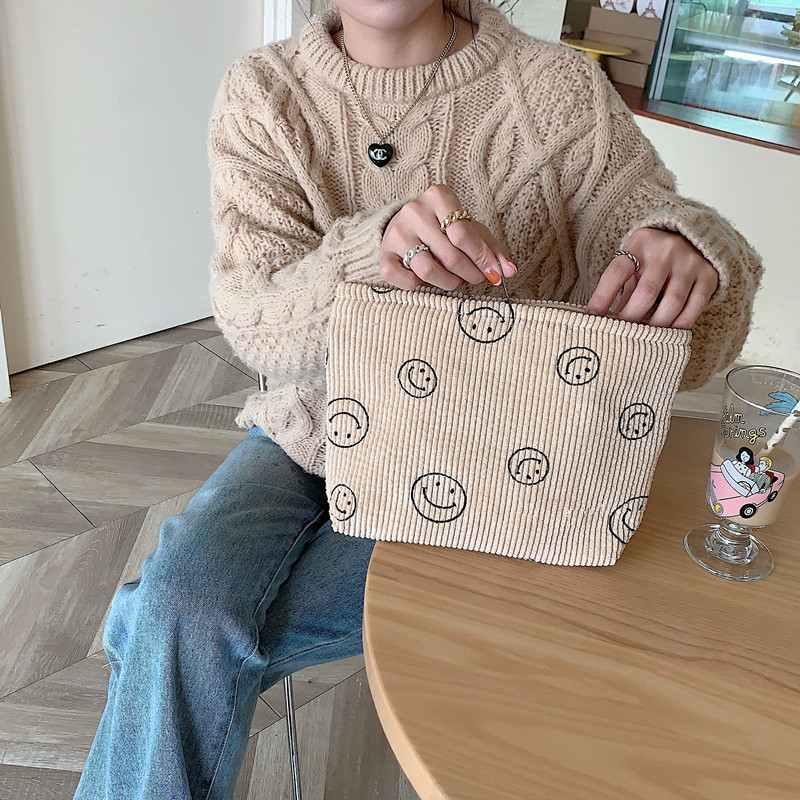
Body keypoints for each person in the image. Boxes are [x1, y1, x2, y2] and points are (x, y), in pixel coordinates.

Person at [74, 1, 762, 797]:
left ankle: (156, 628)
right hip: (311, 434)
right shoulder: (263, 92)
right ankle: (164, 627)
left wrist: (684, 247)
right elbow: (254, 321)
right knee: (183, 607)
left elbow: (683, 321)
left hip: (499, 459)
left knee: (172, 617)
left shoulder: (557, 91)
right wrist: (368, 256)